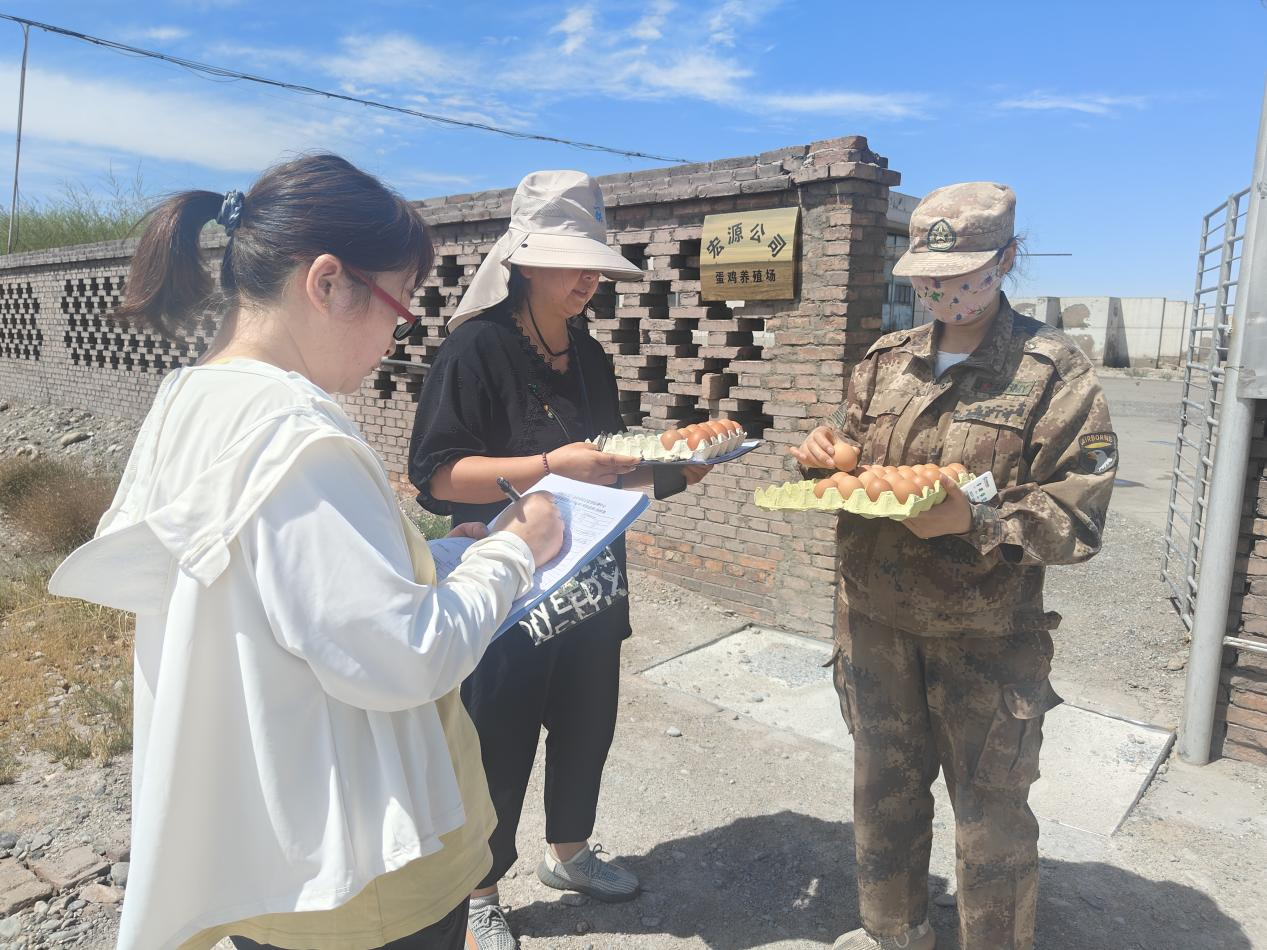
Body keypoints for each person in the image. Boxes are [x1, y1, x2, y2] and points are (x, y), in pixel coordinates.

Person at [47, 154, 564, 950]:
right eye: (399, 306)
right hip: (365, 876)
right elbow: (403, 657)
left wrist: (435, 561)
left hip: (269, 848)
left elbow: (288, 596)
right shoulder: (296, 435)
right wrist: (513, 551)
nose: (396, 336)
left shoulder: (192, 397)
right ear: (326, 282)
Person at [790, 182, 1116, 950]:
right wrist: (819, 459)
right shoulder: (884, 362)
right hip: (875, 629)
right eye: (929, 278)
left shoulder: (1053, 373)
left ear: (1005, 259)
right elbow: (848, 463)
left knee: (990, 821)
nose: (944, 291)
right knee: (883, 797)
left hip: (985, 643)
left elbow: (1077, 519)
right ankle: (892, 933)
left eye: (963, 273)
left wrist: (976, 519)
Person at [409, 170, 707, 950]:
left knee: (585, 726)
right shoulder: (475, 350)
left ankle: (568, 854)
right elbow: (436, 476)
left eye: (593, 265)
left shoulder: (588, 355)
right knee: (495, 741)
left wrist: (677, 472)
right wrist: (546, 466)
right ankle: (478, 890)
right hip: (507, 588)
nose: (587, 279)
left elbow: (603, 468)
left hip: (591, 580)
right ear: (524, 261)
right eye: (572, 263)